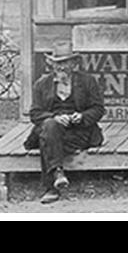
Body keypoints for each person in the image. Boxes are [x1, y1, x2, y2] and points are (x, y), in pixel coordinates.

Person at [23, 50, 105, 204]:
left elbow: (98, 109)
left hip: (79, 132)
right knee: (49, 127)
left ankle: (51, 188)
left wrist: (82, 116)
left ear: (74, 64)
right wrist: (54, 118)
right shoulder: (42, 84)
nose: (60, 67)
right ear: (51, 64)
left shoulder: (88, 81)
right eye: (57, 63)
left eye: (65, 63)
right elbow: (35, 113)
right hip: (52, 129)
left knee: (46, 141)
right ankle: (57, 175)